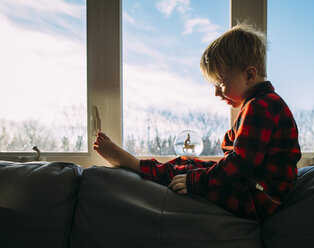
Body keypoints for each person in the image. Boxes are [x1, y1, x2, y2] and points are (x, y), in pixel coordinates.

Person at [93, 23, 301, 221]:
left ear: (249, 75)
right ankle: (141, 165)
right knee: (189, 163)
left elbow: (241, 163)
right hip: (255, 189)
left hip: (256, 198)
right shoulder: (263, 104)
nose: (216, 93)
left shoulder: (260, 107)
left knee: (188, 173)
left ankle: (135, 165)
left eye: (220, 84)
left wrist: (197, 182)